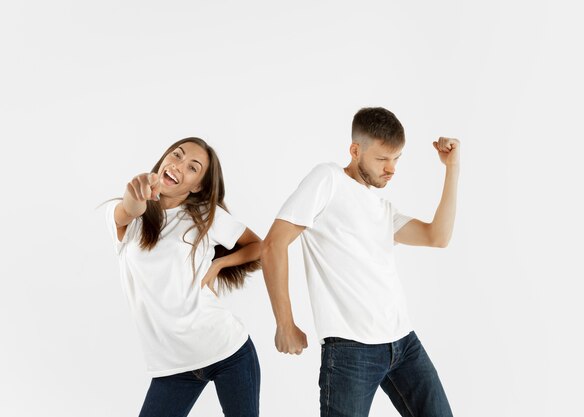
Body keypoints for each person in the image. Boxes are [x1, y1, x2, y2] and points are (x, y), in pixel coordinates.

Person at [261, 107, 459, 417]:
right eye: (382, 159)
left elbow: (438, 236)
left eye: (396, 159)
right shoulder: (327, 180)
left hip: (403, 343)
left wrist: (452, 167)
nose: (391, 169)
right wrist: (285, 323)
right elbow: (274, 244)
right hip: (352, 350)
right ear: (355, 151)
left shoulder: (383, 209)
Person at [104, 137, 262, 417]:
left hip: (229, 350)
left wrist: (218, 265)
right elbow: (130, 208)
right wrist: (137, 189)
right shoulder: (130, 217)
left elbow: (260, 246)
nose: (178, 165)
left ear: (197, 185)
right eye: (176, 155)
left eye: (192, 167)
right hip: (174, 366)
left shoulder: (206, 216)